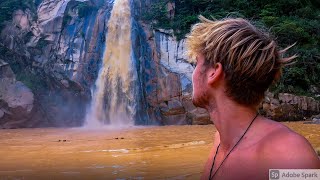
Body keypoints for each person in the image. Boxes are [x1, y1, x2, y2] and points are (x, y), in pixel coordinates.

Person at [186, 16, 320, 180]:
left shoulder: (288, 154)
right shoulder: (220, 141)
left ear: (214, 72)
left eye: (196, 64)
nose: (192, 74)